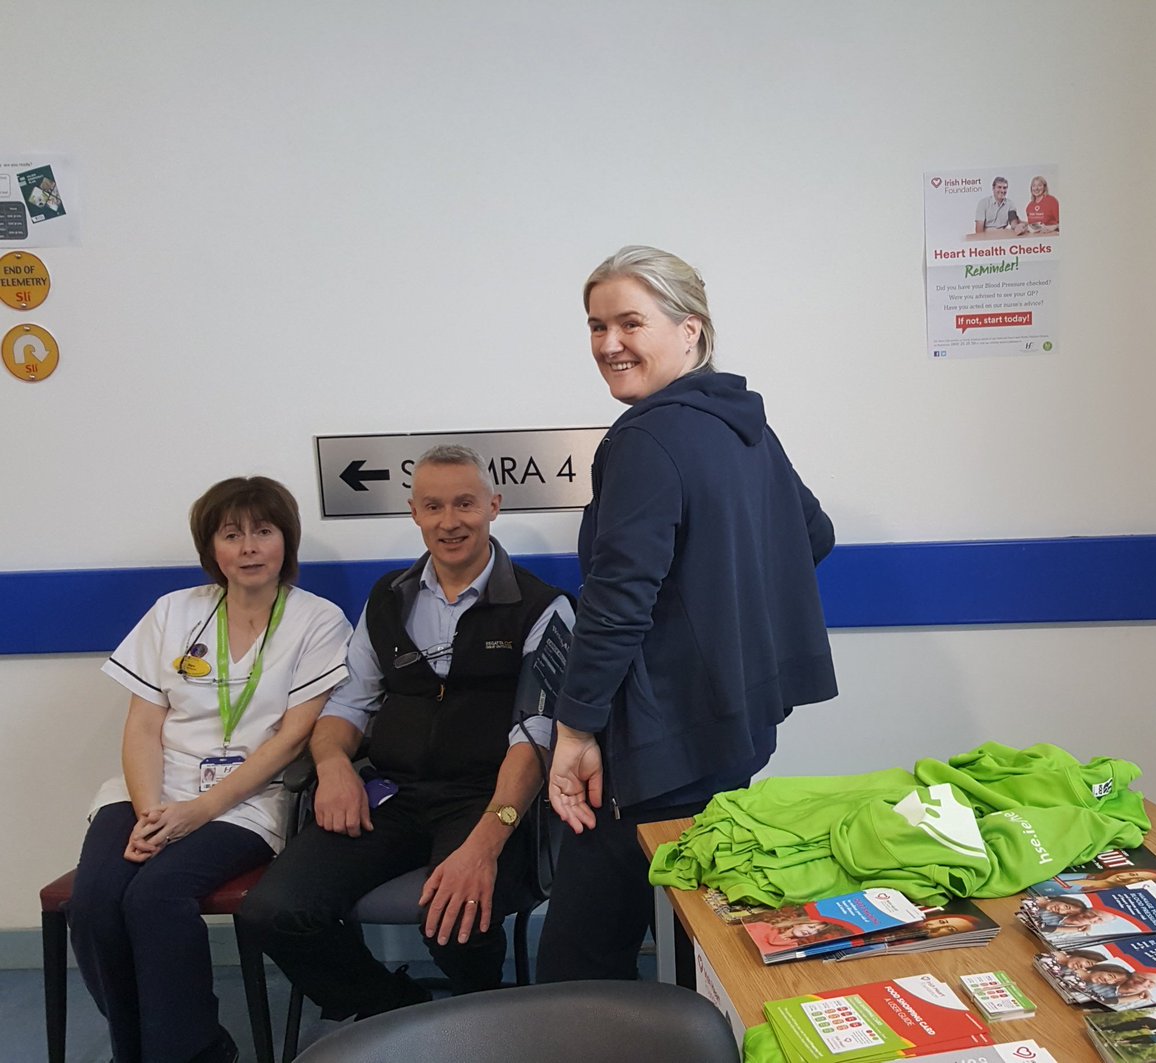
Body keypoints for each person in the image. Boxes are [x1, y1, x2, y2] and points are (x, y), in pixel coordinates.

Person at [536, 245, 837, 983]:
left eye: (630, 322)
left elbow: (617, 603)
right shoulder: (742, 425)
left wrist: (574, 728)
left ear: (690, 331)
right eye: (596, 325)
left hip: (658, 747)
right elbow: (814, 535)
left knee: (578, 970)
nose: (609, 344)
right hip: (732, 731)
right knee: (694, 945)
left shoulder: (644, 438)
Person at [243, 445, 574, 1018]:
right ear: (413, 512)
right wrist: (334, 768)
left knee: (456, 923)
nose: (451, 522)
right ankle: (394, 1011)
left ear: (493, 506)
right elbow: (348, 704)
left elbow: (535, 737)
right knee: (272, 911)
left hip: (488, 798)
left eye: (466, 503)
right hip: (392, 795)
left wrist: (486, 841)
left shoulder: (542, 607)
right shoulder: (387, 599)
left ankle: (482, 1014)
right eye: (434, 506)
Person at [67, 477, 352, 1063]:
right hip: (151, 788)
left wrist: (196, 812)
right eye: (232, 534)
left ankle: (193, 1050)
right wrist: (151, 811)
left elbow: (292, 737)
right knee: (95, 900)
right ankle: (136, 1049)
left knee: (155, 896)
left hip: (247, 800)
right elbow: (144, 727)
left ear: (285, 542)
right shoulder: (174, 612)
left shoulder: (318, 621)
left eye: (263, 532)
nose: (249, 547)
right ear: (212, 549)